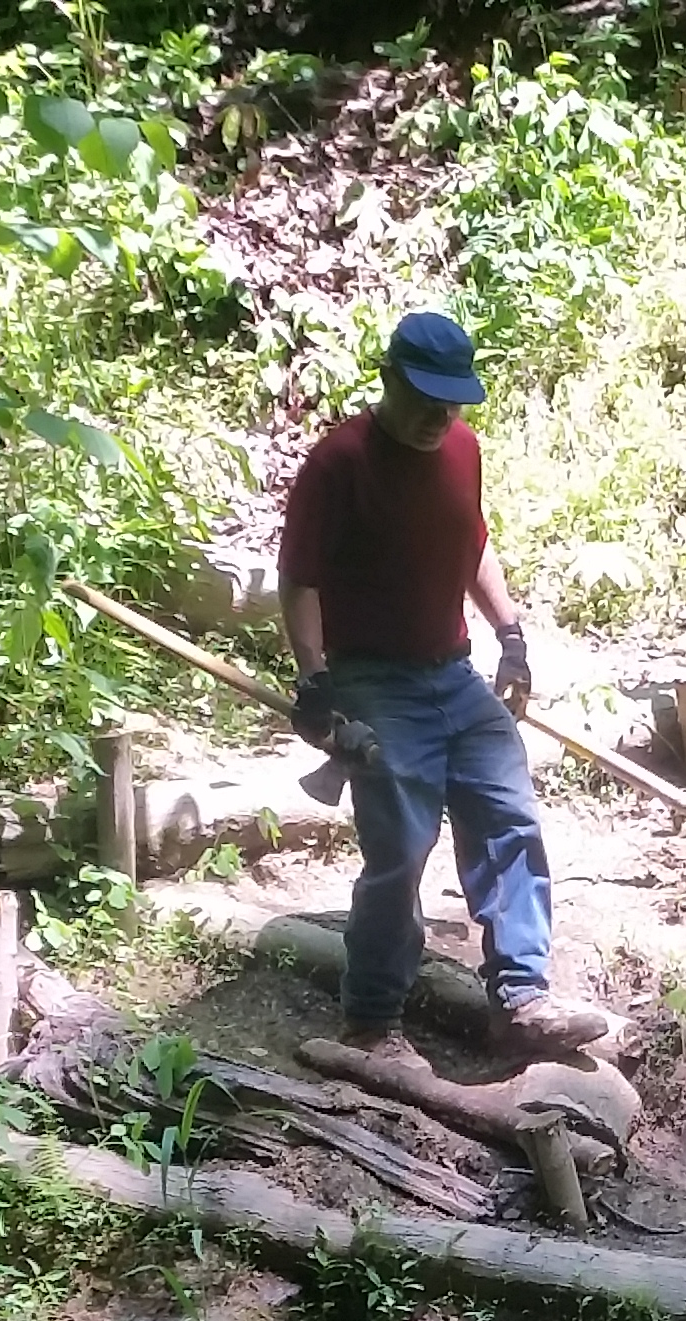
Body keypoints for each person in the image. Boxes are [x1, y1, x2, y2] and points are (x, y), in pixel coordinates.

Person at [275, 310, 617, 1064]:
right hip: (372, 676)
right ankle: (370, 1024)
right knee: (400, 843)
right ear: (389, 380)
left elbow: (473, 543)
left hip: (453, 673)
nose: (440, 416)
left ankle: (522, 999)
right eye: (425, 398)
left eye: (452, 400)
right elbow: (298, 580)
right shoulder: (340, 464)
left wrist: (513, 635)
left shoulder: (462, 448)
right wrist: (317, 684)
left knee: (508, 814)